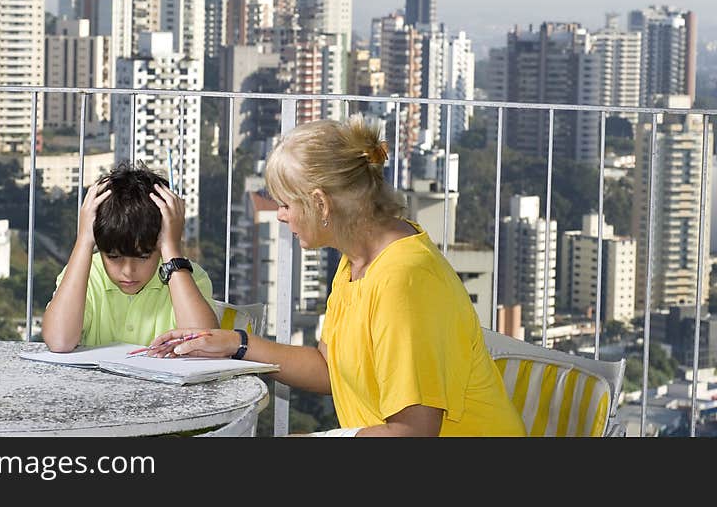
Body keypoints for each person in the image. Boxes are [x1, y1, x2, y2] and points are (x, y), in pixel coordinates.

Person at [149, 115, 526, 437]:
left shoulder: (404, 281)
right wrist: (235, 343)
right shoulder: (358, 260)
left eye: (284, 204)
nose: (279, 215)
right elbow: (332, 370)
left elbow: (414, 431)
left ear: (320, 203)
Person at [42, 160, 218, 352]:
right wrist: (84, 240)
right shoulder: (85, 273)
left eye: (142, 257)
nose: (128, 272)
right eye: (113, 257)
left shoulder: (188, 278)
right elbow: (59, 341)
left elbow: (205, 349)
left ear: (160, 246)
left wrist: (171, 247)